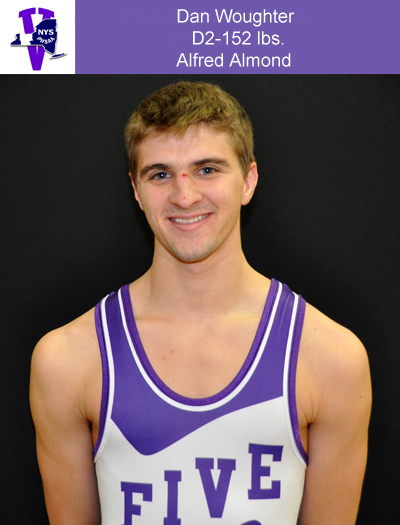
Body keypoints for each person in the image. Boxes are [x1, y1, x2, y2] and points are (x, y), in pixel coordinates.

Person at [30, 81, 371, 525]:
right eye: (160, 174)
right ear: (136, 190)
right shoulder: (67, 360)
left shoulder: (331, 358)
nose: (184, 196)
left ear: (248, 180)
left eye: (207, 169)